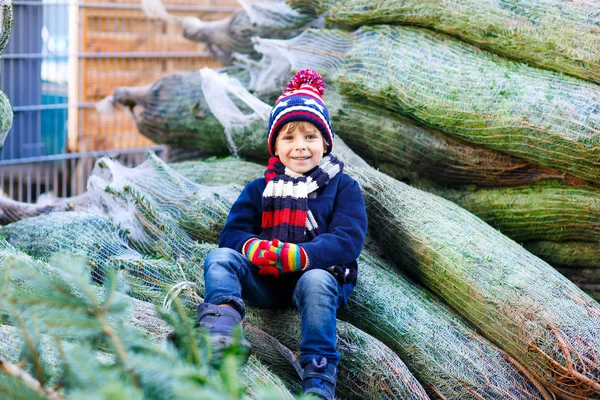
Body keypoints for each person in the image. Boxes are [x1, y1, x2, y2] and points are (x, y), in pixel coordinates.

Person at [198, 69, 367, 399]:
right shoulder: (260, 189)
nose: (300, 146)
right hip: (268, 279)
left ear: (326, 143)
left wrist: (302, 255)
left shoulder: (343, 187)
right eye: (288, 137)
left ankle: (318, 378)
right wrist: (255, 248)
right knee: (219, 259)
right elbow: (232, 234)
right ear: (275, 145)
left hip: (314, 278)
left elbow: (348, 239)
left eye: (310, 137)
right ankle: (219, 330)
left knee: (316, 282)